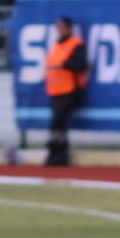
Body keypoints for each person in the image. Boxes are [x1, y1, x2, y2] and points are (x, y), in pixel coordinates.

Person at [38, 16, 87, 167]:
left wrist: (65, 64)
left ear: (68, 27)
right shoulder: (57, 46)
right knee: (57, 124)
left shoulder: (75, 44)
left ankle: (59, 155)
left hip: (69, 89)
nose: (59, 29)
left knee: (58, 122)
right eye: (57, 26)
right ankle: (55, 155)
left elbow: (81, 64)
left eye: (62, 26)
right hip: (55, 90)